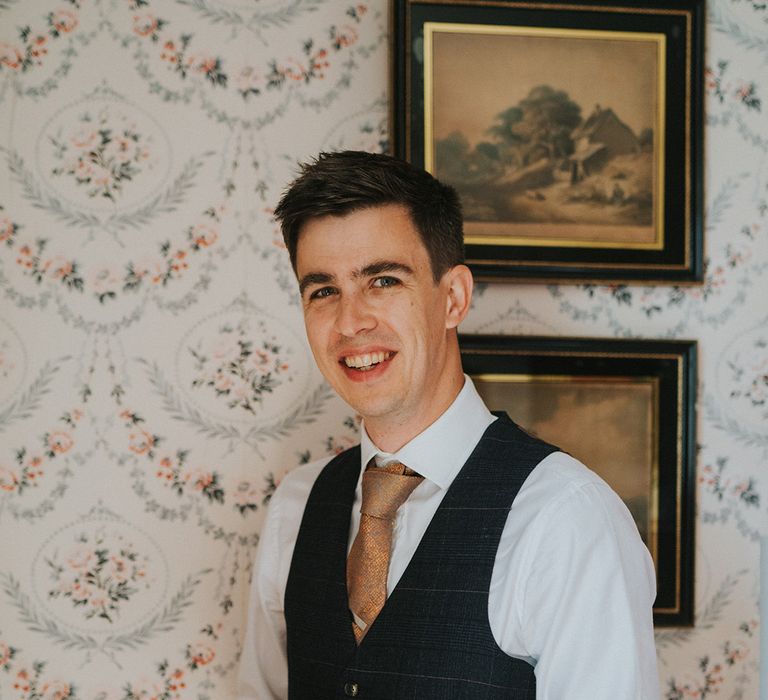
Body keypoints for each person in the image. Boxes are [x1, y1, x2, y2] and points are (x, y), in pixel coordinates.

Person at [237, 150, 658, 699]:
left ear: (453, 297)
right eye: (323, 290)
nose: (350, 321)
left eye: (383, 281)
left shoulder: (566, 518)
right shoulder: (296, 506)